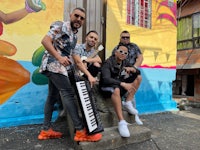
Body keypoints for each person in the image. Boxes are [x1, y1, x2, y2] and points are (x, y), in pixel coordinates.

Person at [38, 7, 102, 142]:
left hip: (60, 68)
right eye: (76, 16)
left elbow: (76, 59)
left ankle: (45, 129)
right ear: (70, 15)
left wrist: (86, 74)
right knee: (68, 94)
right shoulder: (60, 25)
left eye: (82, 18)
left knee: (52, 96)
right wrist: (59, 58)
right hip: (53, 65)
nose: (78, 19)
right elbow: (45, 41)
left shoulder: (74, 36)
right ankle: (80, 131)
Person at [99, 44, 142, 137]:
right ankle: (122, 122)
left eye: (125, 53)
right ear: (116, 52)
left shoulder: (125, 62)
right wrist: (123, 84)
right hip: (106, 88)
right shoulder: (108, 62)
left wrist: (132, 69)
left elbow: (138, 72)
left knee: (138, 77)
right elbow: (106, 79)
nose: (123, 54)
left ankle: (127, 102)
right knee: (117, 90)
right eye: (121, 51)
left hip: (117, 85)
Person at [112, 30, 143, 125]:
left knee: (131, 95)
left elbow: (140, 57)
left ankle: (135, 116)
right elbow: (113, 61)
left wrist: (133, 68)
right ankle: (123, 120)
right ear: (120, 38)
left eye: (127, 37)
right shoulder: (116, 48)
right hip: (121, 73)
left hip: (132, 73)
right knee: (121, 95)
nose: (125, 39)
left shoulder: (134, 47)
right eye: (123, 37)